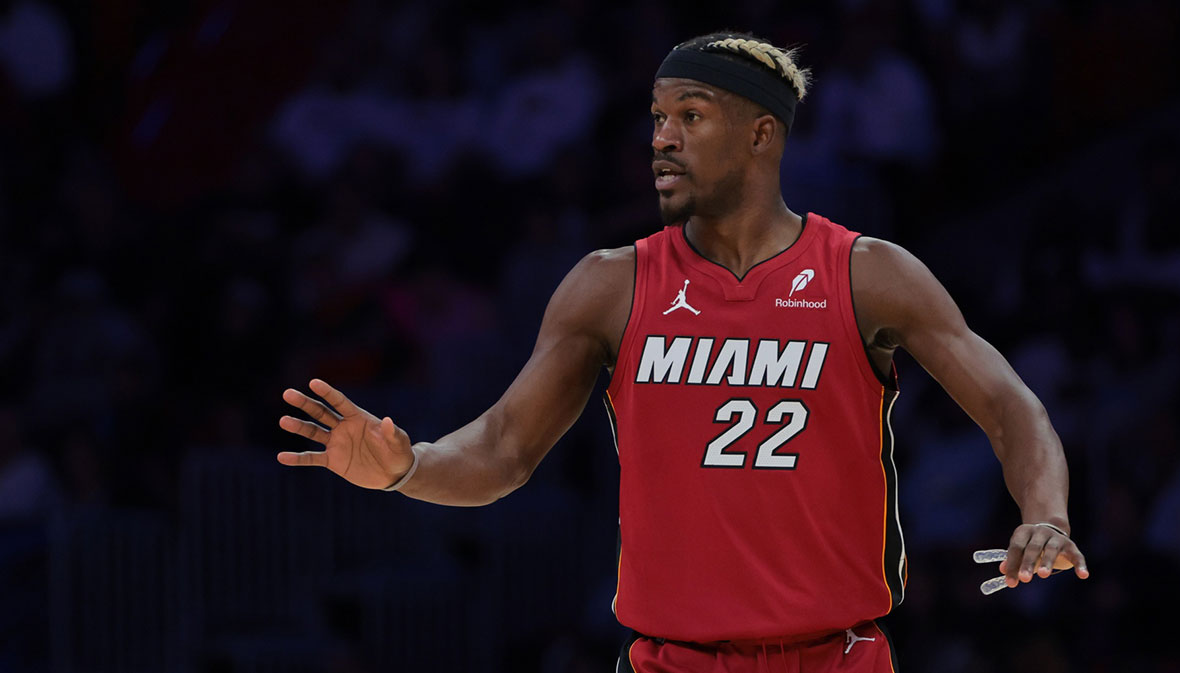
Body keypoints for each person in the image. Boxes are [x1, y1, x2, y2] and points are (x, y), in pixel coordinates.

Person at [278, 32, 1089, 672]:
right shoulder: (609, 284)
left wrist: (1045, 513)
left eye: (690, 117)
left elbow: (1012, 405)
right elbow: (502, 448)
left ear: (761, 133)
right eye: (657, 119)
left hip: (834, 657)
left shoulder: (867, 273)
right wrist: (408, 466)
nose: (662, 139)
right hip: (672, 660)